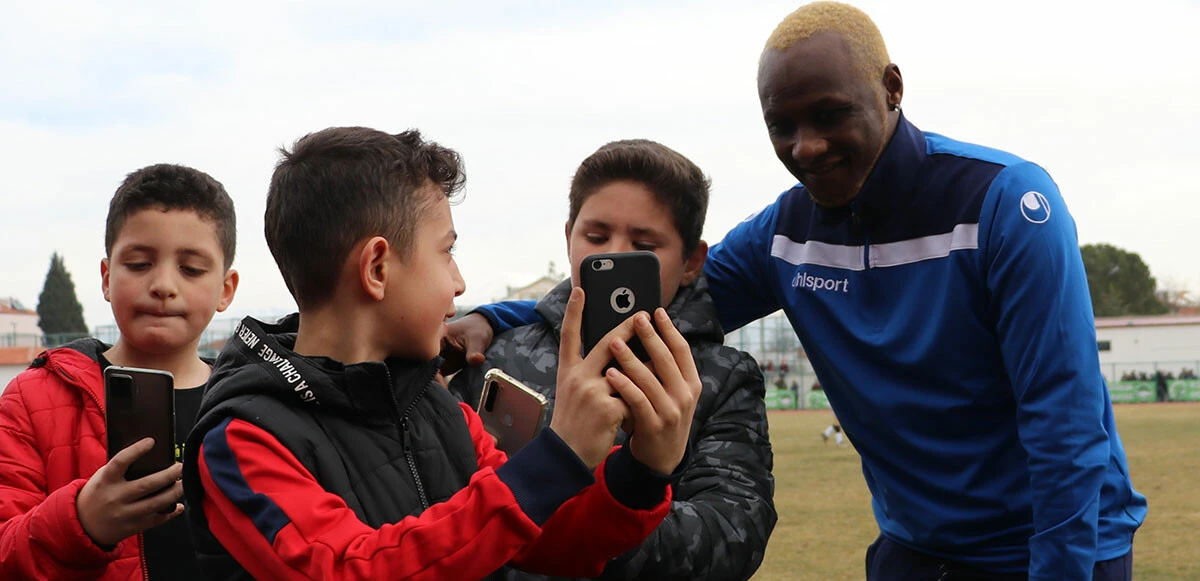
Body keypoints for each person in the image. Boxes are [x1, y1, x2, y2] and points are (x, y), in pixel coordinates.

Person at [448, 3, 1147, 578]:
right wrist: (492, 317)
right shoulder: (785, 234)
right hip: (912, 547)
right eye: (782, 125)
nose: (806, 146)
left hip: (1049, 549)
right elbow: (649, 298)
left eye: (830, 114)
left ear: (892, 88)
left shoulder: (1006, 204)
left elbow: (1064, 419)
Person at [181, 127, 702, 580]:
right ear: (377, 268)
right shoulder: (241, 440)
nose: (459, 283)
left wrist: (642, 471)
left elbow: (539, 535)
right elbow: (348, 568)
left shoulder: (436, 406)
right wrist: (558, 453)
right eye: (446, 251)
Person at [449, 139, 775, 580]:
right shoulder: (498, 355)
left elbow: (734, 537)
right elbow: (442, 499)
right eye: (596, 236)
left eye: (644, 244)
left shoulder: (720, 378)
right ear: (569, 237)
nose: (613, 254)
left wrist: (631, 487)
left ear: (692, 262)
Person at [0, 164, 240, 580]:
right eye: (140, 263)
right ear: (107, 278)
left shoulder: (251, 404)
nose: (164, 285)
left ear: (226, 289)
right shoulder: (31, 400)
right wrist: (82, 522)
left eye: (191, 269)